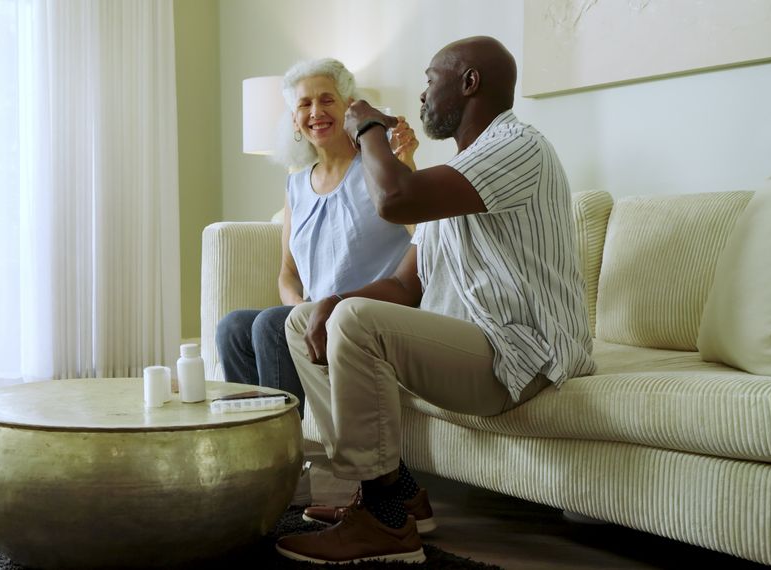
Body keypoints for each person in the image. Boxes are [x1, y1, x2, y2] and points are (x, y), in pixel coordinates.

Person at [275, 37, 597, 565]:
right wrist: (329, 301)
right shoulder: (458, 175)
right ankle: (396, 493)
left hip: (524, 354)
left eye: (430, 80)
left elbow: (396, 199)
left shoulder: (517, 147)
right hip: (477, 348)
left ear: (469, 83)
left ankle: (384, 526)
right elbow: (406, 285)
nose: (422, 95)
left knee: (354, 320)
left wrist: (370, 127)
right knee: (306, 319)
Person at [215, 58, 416, 417]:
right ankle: (252, 444)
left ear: (349, 106)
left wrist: (407, 163)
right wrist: (297, 311)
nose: (315, 112)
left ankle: (285, 454)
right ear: (294, 119)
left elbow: (423, 233)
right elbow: (287, 273)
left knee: (269, 326)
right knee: (232, 328)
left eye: (327, 100)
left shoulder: (378, 168)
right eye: (304, 104)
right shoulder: (296, 185)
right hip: (314, 314)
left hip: (363, 312)